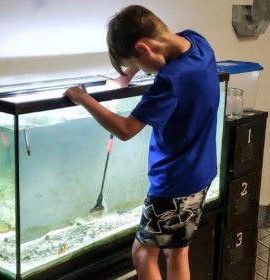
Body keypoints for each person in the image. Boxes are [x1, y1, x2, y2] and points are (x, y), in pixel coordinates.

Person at [64, 5, 220, 280]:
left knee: (142, 254)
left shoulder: (169, 81)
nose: (143, 72)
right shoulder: (198, 42)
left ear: (144, 48)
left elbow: (125, 129)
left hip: (173, 183)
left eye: (137, 64)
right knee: (177, 250)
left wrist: (82, 98)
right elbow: (161, 53)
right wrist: (125, 76)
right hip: (201, 172)